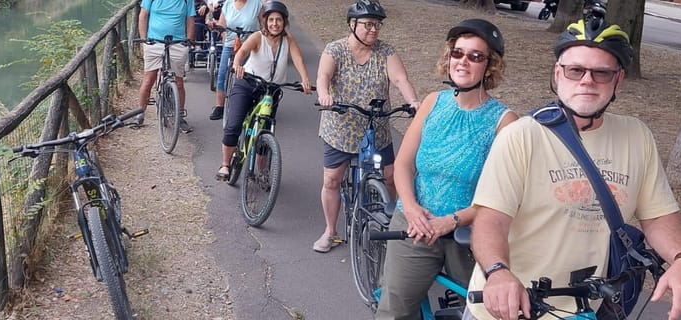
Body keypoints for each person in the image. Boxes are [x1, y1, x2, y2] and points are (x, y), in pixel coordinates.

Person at [465, 7, 681, 320]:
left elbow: (658, 215)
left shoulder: (637, 136)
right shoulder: (521, 136)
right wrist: (498, 272)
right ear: (557, 73)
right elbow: (491, 219)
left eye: (601, 73)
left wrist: (680, 257)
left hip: (587, 306)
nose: (587, 81)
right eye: (575, 70)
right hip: (514, 304)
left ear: (618, 79)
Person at [375, 19, 518, 319]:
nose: (463, 61)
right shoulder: (432, 102)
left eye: (475, 56)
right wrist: (412, 209)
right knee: (394, 311)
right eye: (457, 53)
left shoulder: (505, 122)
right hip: (416, 223)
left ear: (489, 66)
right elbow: (403, 164)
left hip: (471, 233)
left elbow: (504, 196)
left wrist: (451, 221)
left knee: (487, 311)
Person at [313, 0, 420, 253]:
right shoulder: (335, 49)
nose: (374, 30)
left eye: (377, 25)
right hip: (340, 129)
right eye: (368, 24)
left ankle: (391, 221)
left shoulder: (385, 52)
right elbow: (323, 76)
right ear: (352, 24)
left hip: (376, 128)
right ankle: (330, 231)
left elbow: (399, 78)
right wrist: (324, 94)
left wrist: (413, 101)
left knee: (392, 176)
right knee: (331, 181)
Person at [214, 1, 312, 180]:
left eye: (279, 20)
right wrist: (237, 66)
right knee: (234, 125)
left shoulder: (288, 39)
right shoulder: (257, 37)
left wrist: (305, 79)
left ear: (284, 22)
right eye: (271, 20)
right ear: (265, 21)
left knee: (266, 130)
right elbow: (241, 52)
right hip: (248, 83)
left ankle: (261, 171)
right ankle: (225, 164)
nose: (275, 24)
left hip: (271, 90)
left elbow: (297, 58)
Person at [136, 0, 196, 133]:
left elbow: (190, 19)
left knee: (179, 83)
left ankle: (180, 117)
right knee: (148, 80)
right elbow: (143, 15)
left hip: (177, 42)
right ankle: (140, 113)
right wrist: (144, 39)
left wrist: (189, 40)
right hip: (154, 42)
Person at [207, 0, 263, 121]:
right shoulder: (228, 4)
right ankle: (219, 106)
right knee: (222, 74)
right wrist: (214, 26)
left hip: (250, 45)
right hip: (230, 44)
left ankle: (251, 103)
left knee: (250, 76)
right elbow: (222, 25)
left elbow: (264, 26)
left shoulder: (257, 4)